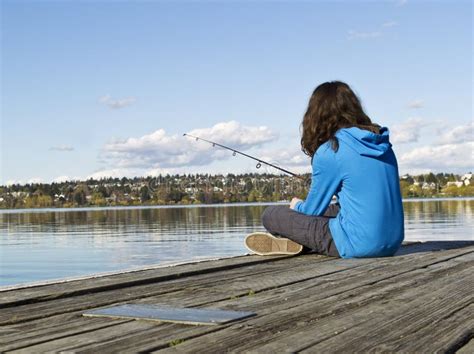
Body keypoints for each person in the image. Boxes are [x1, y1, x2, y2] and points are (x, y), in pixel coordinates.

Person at [245, 81, 404, 258]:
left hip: (357, 245)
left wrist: (296, 204)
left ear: (315, 115)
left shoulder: (331, 149)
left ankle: (299, 241)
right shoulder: (383, 144)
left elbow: (311, 211)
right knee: (335, 209)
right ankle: (299, 241)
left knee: (272, 214)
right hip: (392, 243)